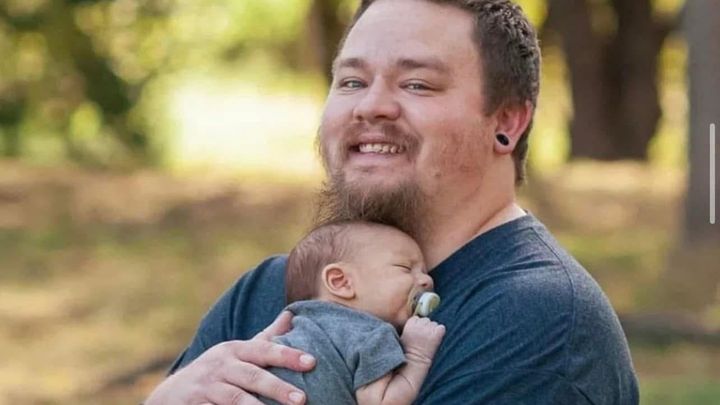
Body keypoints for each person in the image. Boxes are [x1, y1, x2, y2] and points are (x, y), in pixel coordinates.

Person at [145, 0, 639, 404]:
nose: (370, 106)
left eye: (417, 84)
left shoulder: (534, 322)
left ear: (507, 122)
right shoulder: (267, 291)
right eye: (352, 82)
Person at [261, 220, 445, 405]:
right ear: (340, 282)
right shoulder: (371, 334)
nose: (427, 280)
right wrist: (417, 355)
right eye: (405, 268)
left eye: (424, 272)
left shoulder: (293, 326)